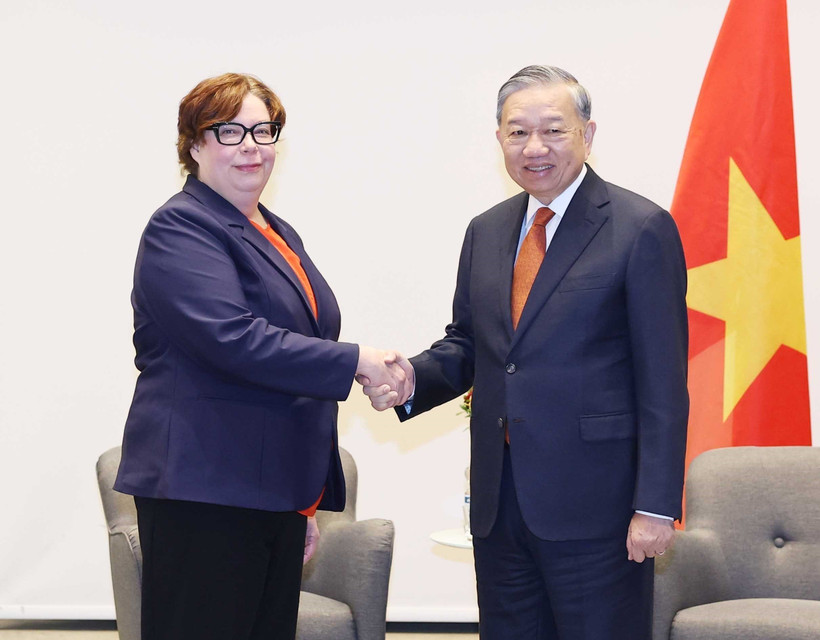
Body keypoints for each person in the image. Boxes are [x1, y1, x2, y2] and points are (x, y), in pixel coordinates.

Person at [364, 65, 689, 640]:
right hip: (499, 507)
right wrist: (411, 380)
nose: (534, 147)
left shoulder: (641, 228)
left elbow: (663, 381)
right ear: (499, 141)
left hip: (599, 511)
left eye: (553, 130)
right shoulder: (485, 231)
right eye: (518, 132)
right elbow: (471, 344)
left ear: (588, 134)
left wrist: (657, 506)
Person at [114, 72, 406, 640]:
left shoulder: (274, 230)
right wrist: (356, 362)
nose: (250, 144)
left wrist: (300, 505)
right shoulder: (182, 225)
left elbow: (299, 346)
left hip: (268, 494)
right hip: (206, 491)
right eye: (228, 131)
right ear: (194, 145)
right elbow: (232, 337)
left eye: (263, 130)